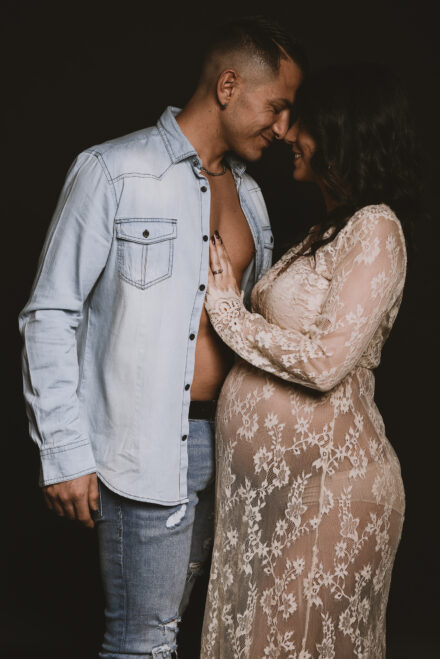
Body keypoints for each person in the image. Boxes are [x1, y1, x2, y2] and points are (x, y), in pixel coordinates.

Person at [18, 17, 306, 659]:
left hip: (230, 447)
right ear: (228, 86)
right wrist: (64, 452)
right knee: (143, 642)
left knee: (196, 633)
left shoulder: (252, 197)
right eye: (277, 106)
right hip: (143, 450)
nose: (284, 128)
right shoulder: (113, 170)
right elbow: (50, 313)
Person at [201, 63, 420, 658]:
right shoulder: (327, 229)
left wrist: (230, 314)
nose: (290, 133)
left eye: (306, 123)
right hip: (291, 493)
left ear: (345, 133)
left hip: (337, 490)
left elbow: (326, 362)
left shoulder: (377, 228)